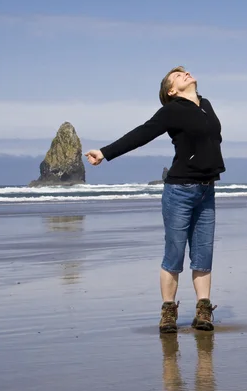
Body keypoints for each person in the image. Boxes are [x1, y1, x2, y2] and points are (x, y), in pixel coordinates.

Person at [84, 66, 225, 333]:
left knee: (203, 254)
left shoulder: (206, 105)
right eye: (177, 75)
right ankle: (168, 312)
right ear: (171, 90)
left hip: (207, 190)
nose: (185, 74)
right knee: (174, 253)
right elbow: (142, 134)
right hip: (180, 192)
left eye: (185, 72)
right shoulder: (171, 110)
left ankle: (203, 311)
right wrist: (104, 152)